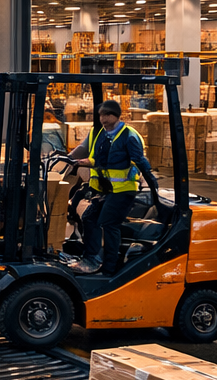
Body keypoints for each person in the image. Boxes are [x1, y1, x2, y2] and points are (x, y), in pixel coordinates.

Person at [67, 100, 156, 274]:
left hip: (124, 190)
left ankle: (110, 267)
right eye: (101, 115)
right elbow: (95, 160)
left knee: (108, 223)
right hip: (106, 190)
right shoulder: (102, 135)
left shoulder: (128, 135)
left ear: (116, 115)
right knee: (89, 218)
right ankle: (91, 259)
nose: (103, 119)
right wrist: (73, 161)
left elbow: (139, 160)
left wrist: (151, 179)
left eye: (107, 115)